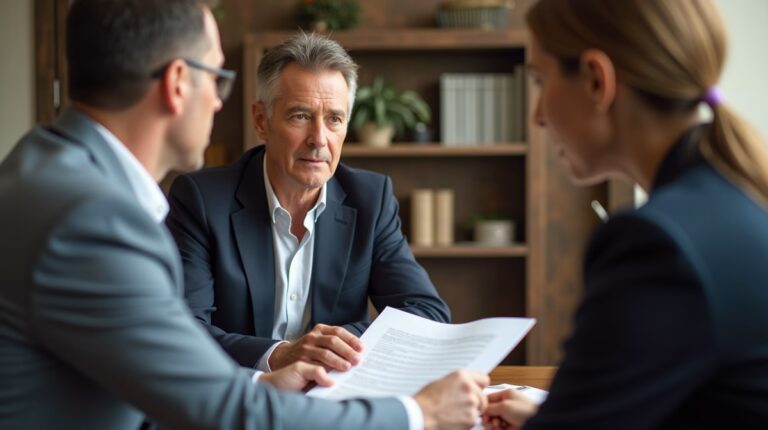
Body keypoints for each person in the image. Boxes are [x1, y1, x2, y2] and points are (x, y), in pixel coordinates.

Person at [0, 1, 488, 429]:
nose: (218, 100)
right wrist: (419, 414)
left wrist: (281, 375)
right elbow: (218, 408)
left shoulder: (46, 170)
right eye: (217, 77)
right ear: (177, 83)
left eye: (335, 119)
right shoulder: (94, 219)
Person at [481, 0, 768, 429]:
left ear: (597, 80)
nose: (537, 116)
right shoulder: (736, 195)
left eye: (540, 81)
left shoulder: (658, 242)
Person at [166, 32, 451, 373]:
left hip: (332, 389)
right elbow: (183, 329)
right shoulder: (201, 200)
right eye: (300, 116)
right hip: (243, 392)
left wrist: (331, 347)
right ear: (261, 121)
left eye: (334, 119)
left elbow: (428, 314)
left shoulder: (370, 199)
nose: (319, 139)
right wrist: (279, 355)